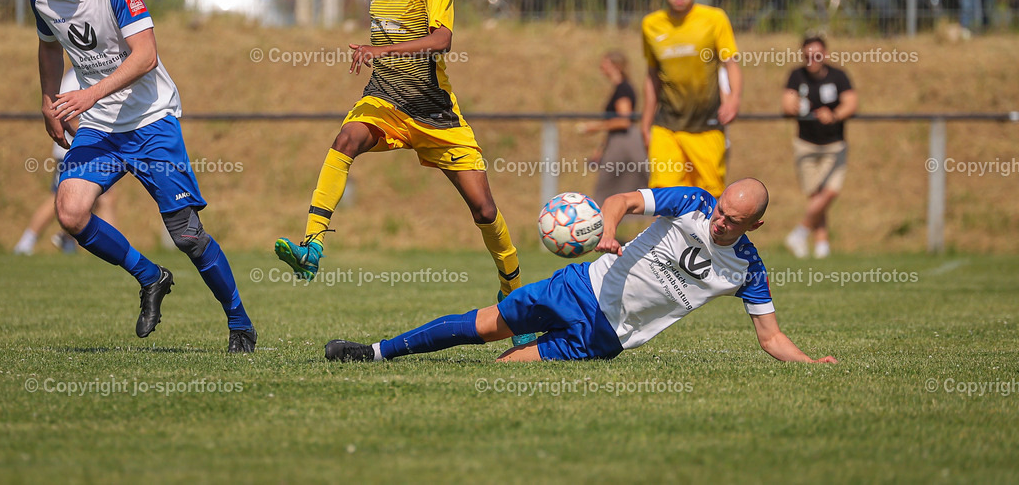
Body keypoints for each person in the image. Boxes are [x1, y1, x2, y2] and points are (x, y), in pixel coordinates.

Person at [274, 0, 535, 345]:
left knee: (484, 209)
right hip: (387, 100)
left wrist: (382, 48)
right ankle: (312, 244)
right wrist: (379, 58)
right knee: (345, 140)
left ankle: (514, 295)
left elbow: (442, 40)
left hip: (435, 112)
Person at [31, 0, 256, 352]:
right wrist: (48, 101)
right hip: (100, 129)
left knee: (188, 235)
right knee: (70, 212)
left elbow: (145, 56)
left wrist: (86, 95)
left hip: (152, 120)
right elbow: (49, 48)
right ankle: (150, 276)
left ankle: (240, 323)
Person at [324, 178, 838, 365]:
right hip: (580, 285)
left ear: (758, 224)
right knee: (484, 326)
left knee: (507, 369)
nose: (721, 221)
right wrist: (609, 229)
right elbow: (619, 199)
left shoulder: (748, 269)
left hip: (607, 334)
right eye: (722, 210)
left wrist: (811, 363)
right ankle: (374, 352)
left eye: (734, 219)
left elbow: (769, 336)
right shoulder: (692, 202)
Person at [641, 0, 742, 198]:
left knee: (708, 198)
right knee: (663, 196)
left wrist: (734, 99)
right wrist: (645, 123)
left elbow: (731, 63)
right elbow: (652, 76)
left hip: (705, 124)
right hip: (667, 125)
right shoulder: (651, 25)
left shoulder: (714, 19)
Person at [14, 69, 118, 256]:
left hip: (90, 149)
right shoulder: (74, 78)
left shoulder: (90, 74)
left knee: (100, 199)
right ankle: (26, 243)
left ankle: (69, 239)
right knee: (60, 199)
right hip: (73, 150)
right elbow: (69, 117)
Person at [781, 36, 857, 259]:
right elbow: (787, 103)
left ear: (825, 55)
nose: (812, 60)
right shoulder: (797, 76)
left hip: (834, 145)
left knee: (831, 191)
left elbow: (851, 103)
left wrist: (833, 115)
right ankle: (822, 245)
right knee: (815, 195)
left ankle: (800, 232)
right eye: (807, 56)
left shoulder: (838, 76)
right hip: (806, 144)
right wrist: (794, 106)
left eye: (816, 55)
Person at [577, 50, 648, 209]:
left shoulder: (623, 89)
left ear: (616, 66)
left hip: (624, 142)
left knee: (606, 187)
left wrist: (595, 127)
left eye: (605, 63)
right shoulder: (620, 88)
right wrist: (601, 150)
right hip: (618, 141)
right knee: (609, 187)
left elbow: (624, 121)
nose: (602, 67)